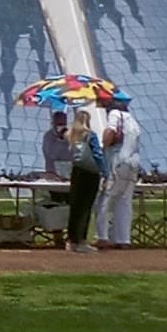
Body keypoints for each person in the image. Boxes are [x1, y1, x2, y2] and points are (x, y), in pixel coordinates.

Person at [96, 99, 142, 248]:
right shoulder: (133, 122)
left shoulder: (115, 114)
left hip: (118, 161)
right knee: (124, 201)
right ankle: (123, 239)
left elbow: (111, 131)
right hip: (133, 163)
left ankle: (102, 236)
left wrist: (103, 146)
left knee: (105, 198)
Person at [66, 108, 105, 253]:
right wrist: (105, 171)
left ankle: (71, 240)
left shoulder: (71, 135)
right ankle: (81, 240)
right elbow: (97, 154)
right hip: (90, 172)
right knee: (86, 207)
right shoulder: (90, 135)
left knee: (75, 206)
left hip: (76, 171)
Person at [41, 110, 73, 178]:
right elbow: (51, 155)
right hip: (53, 173)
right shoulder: (48, 136)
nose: (61, 126)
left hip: (69, 172)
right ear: (53, 123)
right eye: (59, 124)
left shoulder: (70, 135)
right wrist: (60, 139)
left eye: (63, 124)